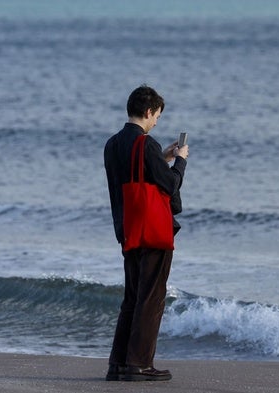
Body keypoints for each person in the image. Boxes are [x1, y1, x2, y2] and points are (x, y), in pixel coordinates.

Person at [103, 84, 188, 382]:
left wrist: (160, 159)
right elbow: (170, 185)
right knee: (151, 297)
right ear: (149, 111)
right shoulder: (146, 143)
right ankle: (139, 363)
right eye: (157, 117)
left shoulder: (113, 144)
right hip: (151, 231)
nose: (156, 123)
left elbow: (131, 179)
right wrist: (180, 160)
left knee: (132, 296)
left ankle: (119, 363)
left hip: (126, 228)